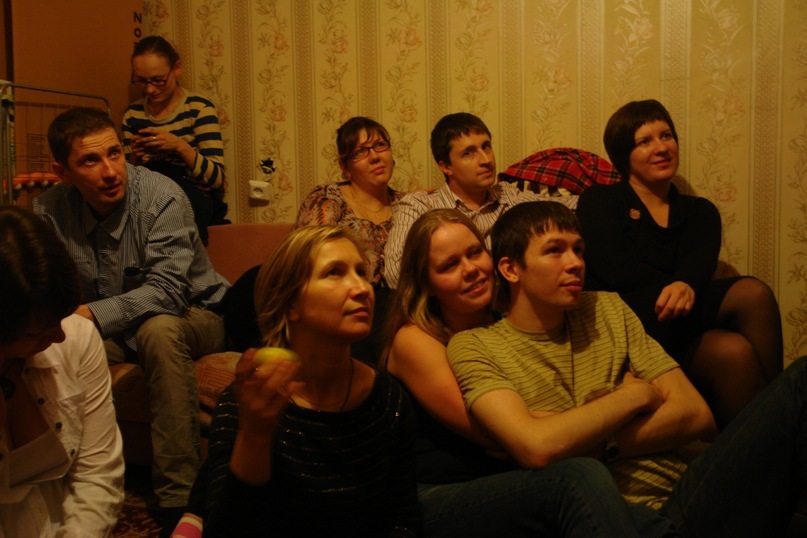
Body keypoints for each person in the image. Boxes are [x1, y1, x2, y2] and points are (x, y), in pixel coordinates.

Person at [448, 200, 807, 536]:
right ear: (511, 269)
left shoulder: (607, 309)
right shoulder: (476, 346)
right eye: (555, 250)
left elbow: (696, 415)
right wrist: (635, 396)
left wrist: (593, 439)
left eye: (578, 250)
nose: (575, 263)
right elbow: (538, 446)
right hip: (623, 513)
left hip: (692, 484)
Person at [383, 208, 671, 537]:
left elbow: (542, 425)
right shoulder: (414, 339)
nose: (471, 269)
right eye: (449, 265)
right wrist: (627, 400)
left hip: (510, 480)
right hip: (442, 494)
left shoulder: (500, 326)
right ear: (427, 285)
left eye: (474, 252)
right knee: (579, 476)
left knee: (641, 518)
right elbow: (503, 433)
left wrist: (570, 428)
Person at [34, 106, 229, 534]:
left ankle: (182, 501)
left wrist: (87, 314)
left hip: (196, 312)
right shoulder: (49, 211)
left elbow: (168, 291)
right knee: (47, 346)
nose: (110, 171)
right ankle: (51, 481)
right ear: (62, 172)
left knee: (157, 329)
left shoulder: (160, 196)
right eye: (90, 160)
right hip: (119, 328)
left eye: (115, 154)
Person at [576, 99, 783, 428]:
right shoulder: (601, 200)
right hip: (629, 322)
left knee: (734, 347)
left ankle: (775, 435)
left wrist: (686, 284)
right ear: (623, 155)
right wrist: (679, 284)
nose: (661, 148)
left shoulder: (699, 212)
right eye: (644, 141)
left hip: (682, 324)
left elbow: (699, 263)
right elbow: (615, 270)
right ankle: (788, 427)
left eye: (666, 136)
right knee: (749, 294)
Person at [202, 225, 420, 536]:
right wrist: (255, 435)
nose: (362, 288)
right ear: (291, 303)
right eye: (334, 273)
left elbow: (403, 520)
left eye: (361, 272)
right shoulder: (245, 405)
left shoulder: (388, 399)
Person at [0, 206, 124, 536]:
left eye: (60, 318)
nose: (59, 337)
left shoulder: (78, 337)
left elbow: (99, 475)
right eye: (35, 332)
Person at [383, 112, 577, 289]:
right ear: (446, 167)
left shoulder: (508, 196)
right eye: (468, 153)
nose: (486, 160)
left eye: (486, 147)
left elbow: (575, 207)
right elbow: (395, 274)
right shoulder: (420, 207)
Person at [296, 116, 404, 361]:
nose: (375, 156)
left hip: (391, 309)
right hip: (337, 304)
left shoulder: (407, 206)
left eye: (380, 145)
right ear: (345, 167)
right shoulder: (328, 200)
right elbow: (310, 263)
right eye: (360, 152)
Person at [123, 35, 227, 244]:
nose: (150, 89)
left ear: (176, 69)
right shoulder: (132, 114)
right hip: (149, 194)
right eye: (142, 81)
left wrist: (179, 146)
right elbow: (127, 179)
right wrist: (136, 156)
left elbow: (217, 179)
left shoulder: (198, 109)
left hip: (190, 194)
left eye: (158, 80)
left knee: (179, 207)